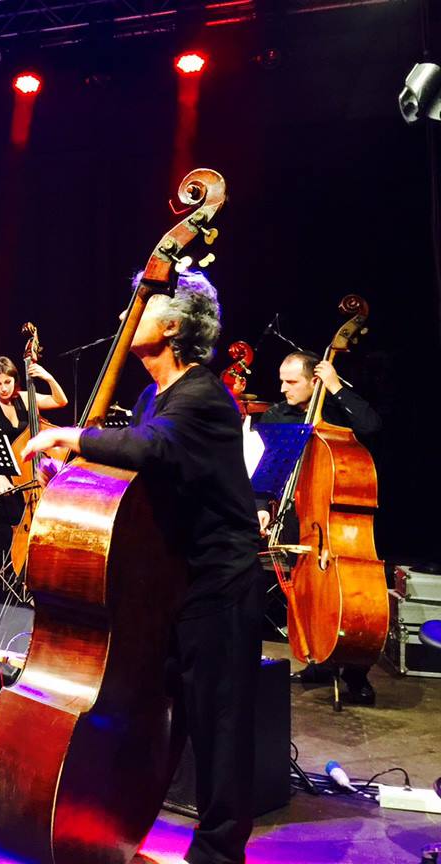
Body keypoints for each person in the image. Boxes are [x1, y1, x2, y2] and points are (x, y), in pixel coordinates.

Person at [22, 270, 262, 864]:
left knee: (219, 729)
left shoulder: (204, 396)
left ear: (172, 326)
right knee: (165, 720)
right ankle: (115, 823)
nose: (130, 313)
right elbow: (137, 471)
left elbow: (152, 448)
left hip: (220, 583)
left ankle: (219, 854)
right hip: (172, 582)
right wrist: (74, 474)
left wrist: (72, 436)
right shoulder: (156, 398)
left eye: (145, 304)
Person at [254, 351, 383, 705]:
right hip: (298, 516)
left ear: (314, 380)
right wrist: (262, 507)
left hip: (335, 522)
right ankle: (318, 661)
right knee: (306, 593)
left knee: (347, 596)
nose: (283, 389)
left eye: (291, 382)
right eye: (282, 381)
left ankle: (355, 671)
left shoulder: (338, 412)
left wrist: (336, 387)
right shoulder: (276, 416)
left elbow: (372, 427)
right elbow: (268, 469)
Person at [0, 355, 68, 599]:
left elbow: (60, 401)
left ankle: (24, 586)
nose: (4, 388)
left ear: (15, 381)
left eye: (8, 382)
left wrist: (47, 377)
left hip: (21, 479)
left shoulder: (25, 398)